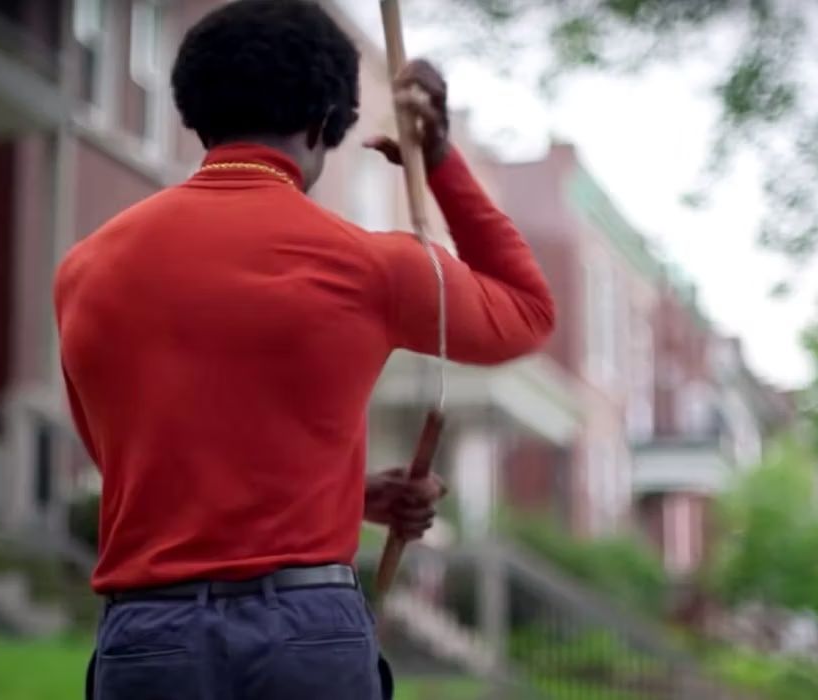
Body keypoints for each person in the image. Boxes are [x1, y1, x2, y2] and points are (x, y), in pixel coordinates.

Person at [53, 1, 555, 698]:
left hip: (149, 638)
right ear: (326, 123)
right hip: (306, 633)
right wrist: (437, 159)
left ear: (194, 115)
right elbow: (529, 312)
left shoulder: (84, 270)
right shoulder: (374, 265)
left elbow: (143, 469)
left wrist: (346, 494)